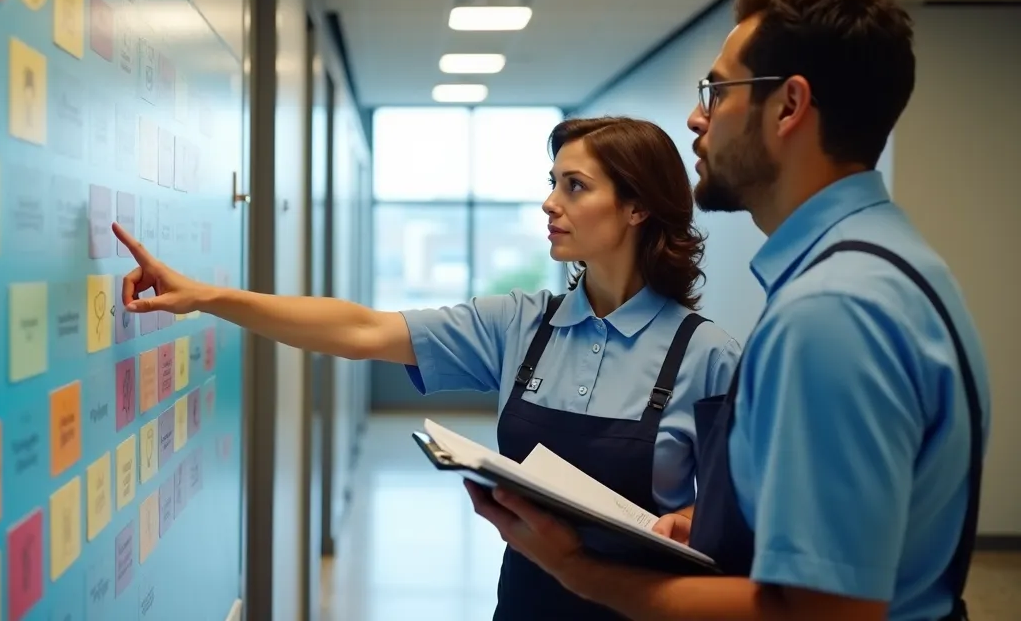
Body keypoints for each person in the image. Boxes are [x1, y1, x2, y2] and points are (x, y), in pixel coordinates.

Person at [464, 0, 992, 621]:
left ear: (789, 107)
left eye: (717, 91)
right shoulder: (897, 263)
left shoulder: (830, 311)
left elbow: (822, 611)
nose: (695, 118)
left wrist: (578, 571)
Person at [111, 116, 742, 619]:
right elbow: (361, 328)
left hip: (646, 609)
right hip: (526, 602)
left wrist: (694, 523)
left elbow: (735, 532)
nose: (549, 203)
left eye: (574, 186)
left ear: (637, 208)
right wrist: (205, 297)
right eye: (551, 181)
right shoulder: (522, 324)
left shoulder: (708, 354)